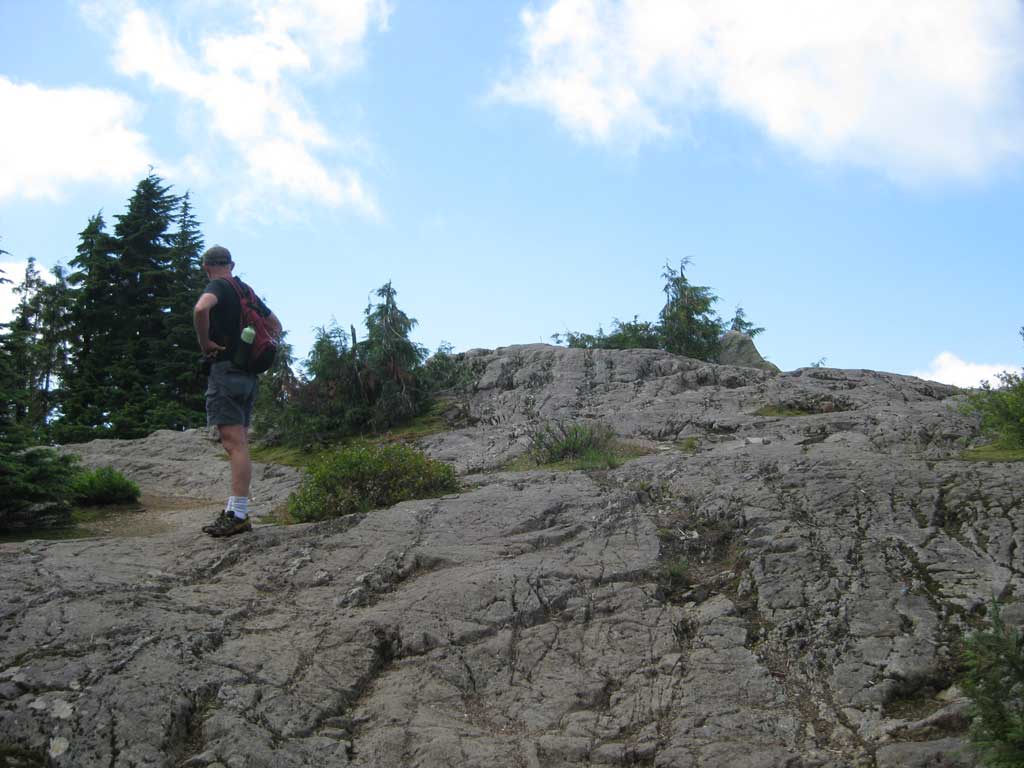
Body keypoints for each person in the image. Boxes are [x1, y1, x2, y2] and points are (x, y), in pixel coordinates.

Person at [193, 245, 282, 537]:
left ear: (207, 266)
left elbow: (201, 308)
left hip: (226, 371)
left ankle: (240, 514)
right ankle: (234, 508)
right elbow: (275, 325)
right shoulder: (246, 291)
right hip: (247, 374)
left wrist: (206, 343)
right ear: (231, 263)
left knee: (235, 444)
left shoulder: (218, 285)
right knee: (239, 440)